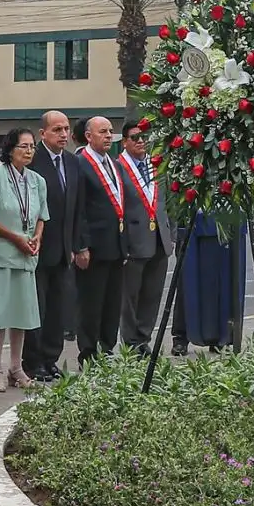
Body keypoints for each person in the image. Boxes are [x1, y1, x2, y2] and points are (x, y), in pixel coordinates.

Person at [0, 127, 46, 389]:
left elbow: (41, 216)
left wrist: (36, 236)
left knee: (21, 313)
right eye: (23, 146)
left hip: (26, 254)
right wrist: (14, 237)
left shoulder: (37, 180)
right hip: (1, 253)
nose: (29, 151)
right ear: (10, 150)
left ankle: (16, 367)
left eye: (32, 147)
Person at [25, 110, 83, 381]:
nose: (63, 134)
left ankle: (51, 358)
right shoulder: (32, 160)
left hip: (64, 248)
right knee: (38, 306)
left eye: (66, 129)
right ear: (42, 134)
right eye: (57, 129)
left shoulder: (72, 162)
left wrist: (79, 245)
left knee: (59, 308)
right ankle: (32, 360)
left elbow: (77, 207)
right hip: (37, 247)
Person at [72, 116, 125, 365]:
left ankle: (108, 346)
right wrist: (81, 245)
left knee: (112, 301)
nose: (108, 136)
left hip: (116, 243)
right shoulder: (81, 164)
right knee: (91, 301)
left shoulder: (113, 164)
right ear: (88, 136)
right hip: (93, 246)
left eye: (110, 131)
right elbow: (79, 209)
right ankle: (88, 351)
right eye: (102, 131)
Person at [116, 120, 173, 354]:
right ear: (125, 141)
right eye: (135, 137)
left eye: (144, 137)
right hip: (134, 240)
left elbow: (167, 203)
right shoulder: (118, 167)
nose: (141, 141)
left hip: (159, 237)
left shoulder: (156, 165)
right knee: (130, 296)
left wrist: (172, 234)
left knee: (152, 294)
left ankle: (144, 339)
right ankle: (130, 342)